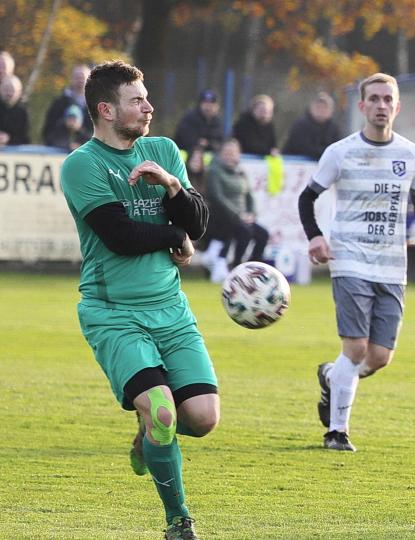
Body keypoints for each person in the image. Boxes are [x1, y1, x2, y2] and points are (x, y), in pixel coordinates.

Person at [59, 60, 215, 539]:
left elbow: (197, 223)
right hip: (114, 314)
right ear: (106, 110)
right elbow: (120, 236)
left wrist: (171, 185)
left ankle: (148, 434)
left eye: (147, 98)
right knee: (164, 412)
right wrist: (174, 235)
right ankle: (178, 520)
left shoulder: (163, 150)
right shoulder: (82, 164)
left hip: (171, 310)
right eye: (137, 100)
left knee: (202, 419)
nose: (149, 107)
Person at [298, 73, 415, 452]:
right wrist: (316, 236)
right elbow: (306, 198)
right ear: (362, 106)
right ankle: (337, 432)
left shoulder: (412, 154)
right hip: (349, 260)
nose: (381, 106)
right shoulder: (340, 152)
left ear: (398, 106)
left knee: (379, 357)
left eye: (387, 99)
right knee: (356, 348)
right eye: (374, 99)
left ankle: (332, 377)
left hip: (392, 265)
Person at [204, 138, 269, 282]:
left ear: (238, 154)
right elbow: (217, 197)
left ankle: (253, 269)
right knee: (245, 232)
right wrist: (238, 215)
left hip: (243, 217)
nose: (230, 156)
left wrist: (251, 214)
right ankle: (237, 268)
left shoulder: (241, 172)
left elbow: (249, 196)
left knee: (263, 234)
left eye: (233, 153)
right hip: (224, 217)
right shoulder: (215, 171)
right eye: (227, 152)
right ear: (221, 154)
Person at [282, 91, 343, 160]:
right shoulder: (300, 125)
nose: (321, 110)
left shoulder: (334, 129)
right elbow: (304, 148)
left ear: (331, 111)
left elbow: (337, 149)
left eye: (325, 107)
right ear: (311, 108)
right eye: (318, 107)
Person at [42, 64, 93, 145]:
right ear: (71, 79)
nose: (80, 80)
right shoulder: (59, 103)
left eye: (82, 77)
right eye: (77, 77)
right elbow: (48, 131)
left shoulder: (96, 105)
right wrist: (65, 124)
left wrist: (80, 129)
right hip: (60, 149)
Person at [173, 89, 224, 154]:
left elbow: (220, 143)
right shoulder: (190, 119)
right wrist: (207, 144)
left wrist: (207, 144)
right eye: (205, 103)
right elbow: (188, 142)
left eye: (212, 104)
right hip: (185, 156)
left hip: (208, 157)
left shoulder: (217, 122)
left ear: (217, 106)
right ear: (200, 104)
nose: (208, 107)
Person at [0, 74, 29, 146]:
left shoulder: (22, 112)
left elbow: (24, 138)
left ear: (19, 92)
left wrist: (8, 139)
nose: (8, 93)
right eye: (6, 89)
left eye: (12, 90)